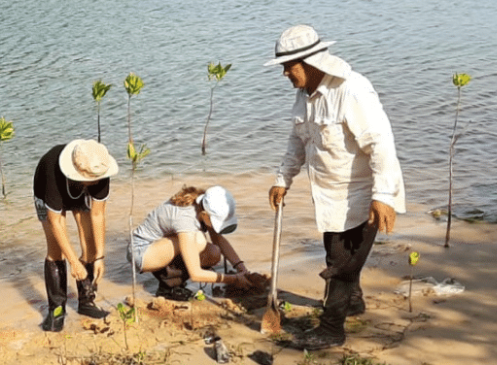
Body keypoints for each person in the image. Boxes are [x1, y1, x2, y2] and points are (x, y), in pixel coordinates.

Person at [264, 24, 406, 349]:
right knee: (338, 252)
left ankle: (331, 330)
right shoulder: (304, 97)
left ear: (312, 63)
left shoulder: (352, 91)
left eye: (289, 66)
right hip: (329, 196)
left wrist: (383, 196)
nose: (285, 73)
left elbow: (380, 143)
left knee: (339, 265)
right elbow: (296, 140)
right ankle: (352, 303)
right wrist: (282, 178)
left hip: (361, 194)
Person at [34, 139, 118, 332]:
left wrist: (100, 257)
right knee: (56, 250)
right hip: (46, 187)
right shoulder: (52, 174)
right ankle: (57, 311)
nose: (98, 182)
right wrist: (74, 262)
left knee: (89, 245)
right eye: (93, 179)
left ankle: (86, 302)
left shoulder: (99, 171)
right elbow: (55, 223)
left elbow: (98, 214)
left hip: (79, 185)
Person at [128, 185, 253, 301]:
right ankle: (169, 288)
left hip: (160, 247)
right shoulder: (186, 219)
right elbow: (195, 274)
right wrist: (233, 279)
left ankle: (174, 283)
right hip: (141, 252)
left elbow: (218, 240)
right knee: (198, 240)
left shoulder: (202, 205)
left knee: (213, 253)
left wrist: (242, 269)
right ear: (205, 215)